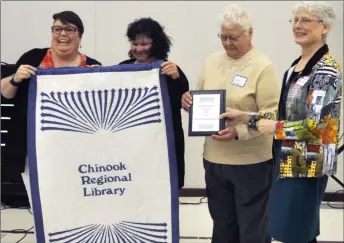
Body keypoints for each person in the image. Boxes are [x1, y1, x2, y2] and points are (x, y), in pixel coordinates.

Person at [219, 2, 342, 243]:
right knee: (292, 228)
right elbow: (284, 117)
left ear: (325, 27)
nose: (298, 25)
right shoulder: (295, 67)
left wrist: (273, 129)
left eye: (306, 20)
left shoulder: (326, 70)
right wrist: (247, 118)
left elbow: (315, 125)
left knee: (296, 230)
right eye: (295, 20)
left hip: (309, 162)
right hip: (287, 158)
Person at [181, 4, 280, 243]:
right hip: (214, 159)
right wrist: (189, 100)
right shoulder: (212, 60)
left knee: (252, 226)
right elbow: (200, 95)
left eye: (233, 37)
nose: (227, 43)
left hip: (251, 162)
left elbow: (272, 116)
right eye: (223, 37)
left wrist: (239, 132)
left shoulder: (263, 66)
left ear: (250, 33)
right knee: (222, 223)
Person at [0, 10, 101, 207]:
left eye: (70, 29)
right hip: (35, 146)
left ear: (80, 36)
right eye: (57, 29)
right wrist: (14, 78)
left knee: (73, 200)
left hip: (76, 147)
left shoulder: (92, 66)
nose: (63, 34)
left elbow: (100, 110)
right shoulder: (32, 57)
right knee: (39, 201)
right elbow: (6, 92)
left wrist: (97, 81)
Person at [119, 17, 190, 190]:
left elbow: (183, 103)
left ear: (156, 43)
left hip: (163, 144)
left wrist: (175, 78)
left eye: (144, 44)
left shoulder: (170, 69)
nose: (139, 49)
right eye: (135, 43)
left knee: (165, 189)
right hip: (132, 144)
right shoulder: (121, 68)